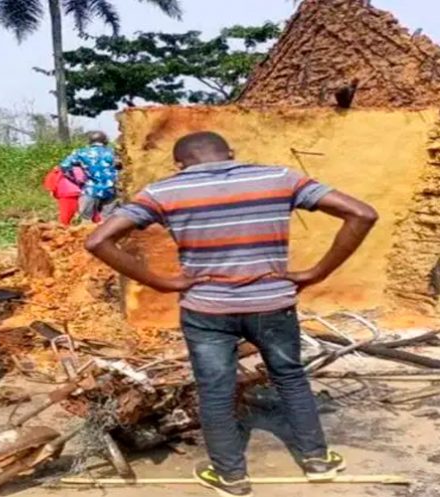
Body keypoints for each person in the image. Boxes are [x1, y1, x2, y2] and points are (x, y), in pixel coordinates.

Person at [84, 131, 378, 497]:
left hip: (206, 309)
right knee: (290, 377)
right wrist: (317, 272)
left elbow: (97, 241)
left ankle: (230, 477)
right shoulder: (280, 178)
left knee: (215, 390)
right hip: (272, 303)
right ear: (231, 153)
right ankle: (317, 461)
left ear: (180, 164)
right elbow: (363, 213)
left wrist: (161, 282)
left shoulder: (162, 192)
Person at [60, 131, 117, 222]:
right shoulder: (113, 152)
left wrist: (75, 179)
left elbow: (64, 165)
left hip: (90, 189)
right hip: (110, 190)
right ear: (105, 141)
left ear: (90, 141)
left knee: (86, 220)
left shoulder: (81, 153)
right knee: (108, 220)